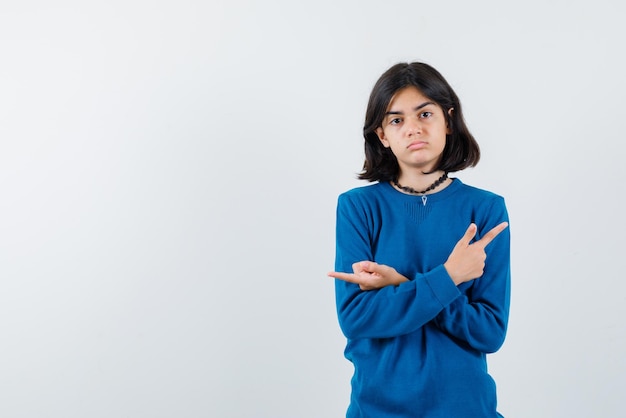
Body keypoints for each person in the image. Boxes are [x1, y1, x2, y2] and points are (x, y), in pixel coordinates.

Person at [328, 62, 511, 418]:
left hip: (466, 408)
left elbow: (489, 332)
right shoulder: (357, 208)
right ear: (382, 135)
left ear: (448, 120)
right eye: (396, 120)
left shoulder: (486, 210)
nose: (413, 128)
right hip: (377, 409)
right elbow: (356, 318)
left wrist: (401, 285)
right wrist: (449, 277)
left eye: (425, 113)